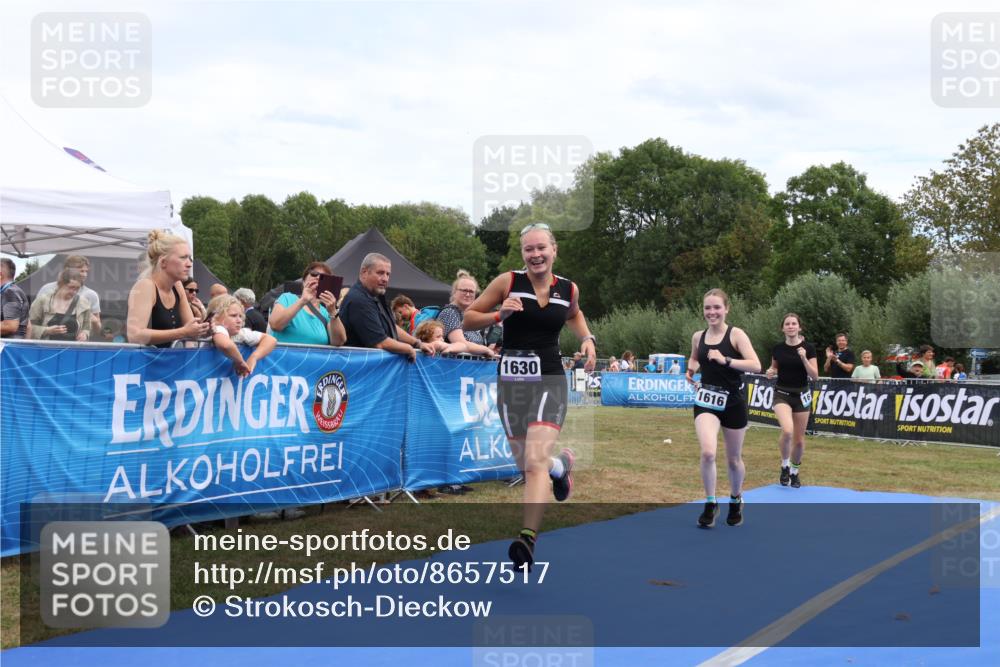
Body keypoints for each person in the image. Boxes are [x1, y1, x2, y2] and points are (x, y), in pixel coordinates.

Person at [463, 222, 597, 571]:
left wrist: (587, 338)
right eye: (529, 249)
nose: (536, 255)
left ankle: (527, 539)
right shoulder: (508, 282)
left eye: (541, 248)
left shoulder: (568, 289)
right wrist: (499, 314)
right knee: (527, 464)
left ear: (554, 250)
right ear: (522, 254)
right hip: (512, 383)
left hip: (550, 378)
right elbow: (467, 320)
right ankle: (560, 467)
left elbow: (574, 314)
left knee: (535, 461)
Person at [686, 288, 761, 528]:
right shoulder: (698, 336)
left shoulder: (736, 334)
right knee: (708, 452)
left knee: (733, 459)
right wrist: (690, 370)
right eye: (707, 307)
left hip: (733, 402)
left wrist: (725, 360)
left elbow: (756, 365)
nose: (712, 312)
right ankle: (710, 503)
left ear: (726, 309)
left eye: (717, 307)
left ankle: (736, 498)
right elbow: (695, 357)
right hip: (706, 400)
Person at [339, 253, 435, 359]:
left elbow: (391, 327)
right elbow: (379, 342)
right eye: (380, 273)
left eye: (388, 274)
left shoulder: (375, 295)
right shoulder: (359, 300)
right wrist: (408, 348)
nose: (385, 279)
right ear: (364, 272)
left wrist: (417, 343)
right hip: (359, 366)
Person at [127, 231, 211, 347]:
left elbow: (191, 331)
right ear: (163, 262)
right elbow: (135, 336)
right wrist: (183, 332)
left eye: (190, 258)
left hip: (172, 357)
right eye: (183, 258)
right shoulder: (146, 286)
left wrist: (206, 328)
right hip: (148, 358)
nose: (189, 264)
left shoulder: (177, 285)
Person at [764, 313, 818, 489]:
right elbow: (774, 367)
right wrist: (770, 371)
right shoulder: (778, 349)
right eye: (787, 324)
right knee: (787, 431)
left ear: (799, 327)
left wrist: (803, 358)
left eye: (794, 323)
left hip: (801, 395)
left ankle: (794, 471)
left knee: (799, 440)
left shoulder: (808, 348)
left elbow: (815, 376)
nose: (791, 326)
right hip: (782, 393)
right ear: (783, 328)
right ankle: (785, 465)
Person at [268, 262, 347, 346]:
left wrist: (333, 311)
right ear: (303, 281)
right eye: (314, 274)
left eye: (324, 277)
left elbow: (339, 342)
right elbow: (275, 325)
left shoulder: (326, 312)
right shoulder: (287, 298)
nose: (318, 278)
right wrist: (302, 301)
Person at [208, 294, 277, 377]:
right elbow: (226, 345)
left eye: (240, 316)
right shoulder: (218, 328)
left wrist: (253, 358)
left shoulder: (241, 333)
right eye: (233, 316)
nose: (239, 320)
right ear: (217, 317)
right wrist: (240, 362)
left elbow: (271, 340)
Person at [36, 255, 101, 337]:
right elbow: (32, 324)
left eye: (86, 271)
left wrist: (89, 329)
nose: (85, 275)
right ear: (67, 269)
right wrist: (47, 330)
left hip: (76, 344)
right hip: (46, 342)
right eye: (81, 271)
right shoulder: (46, 289)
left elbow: (98, 330)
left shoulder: (91, 295)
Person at [437, 270, 496, 358]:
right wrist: (486, 350)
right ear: (454, 292)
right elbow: (461, 344)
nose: (468, 294)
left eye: (471, 291)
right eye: (464, 290)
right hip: (454, 364)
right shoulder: (449, 313)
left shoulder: (469, 315)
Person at [28, 268, 93, 341]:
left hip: (73, 347)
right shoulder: (43, 301)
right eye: (71, 287)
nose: (74, 291)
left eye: (77, 288)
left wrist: (84, 334)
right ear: (60, 284)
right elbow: (28, 328)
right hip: (46, 346)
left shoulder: (84, 303)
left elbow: (87, 328)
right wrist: (47, 330)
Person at [1, 257, 30, 339]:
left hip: (8, 345)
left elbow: (10, 326)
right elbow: (29, 326)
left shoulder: (10, 292)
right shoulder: (10, 291)